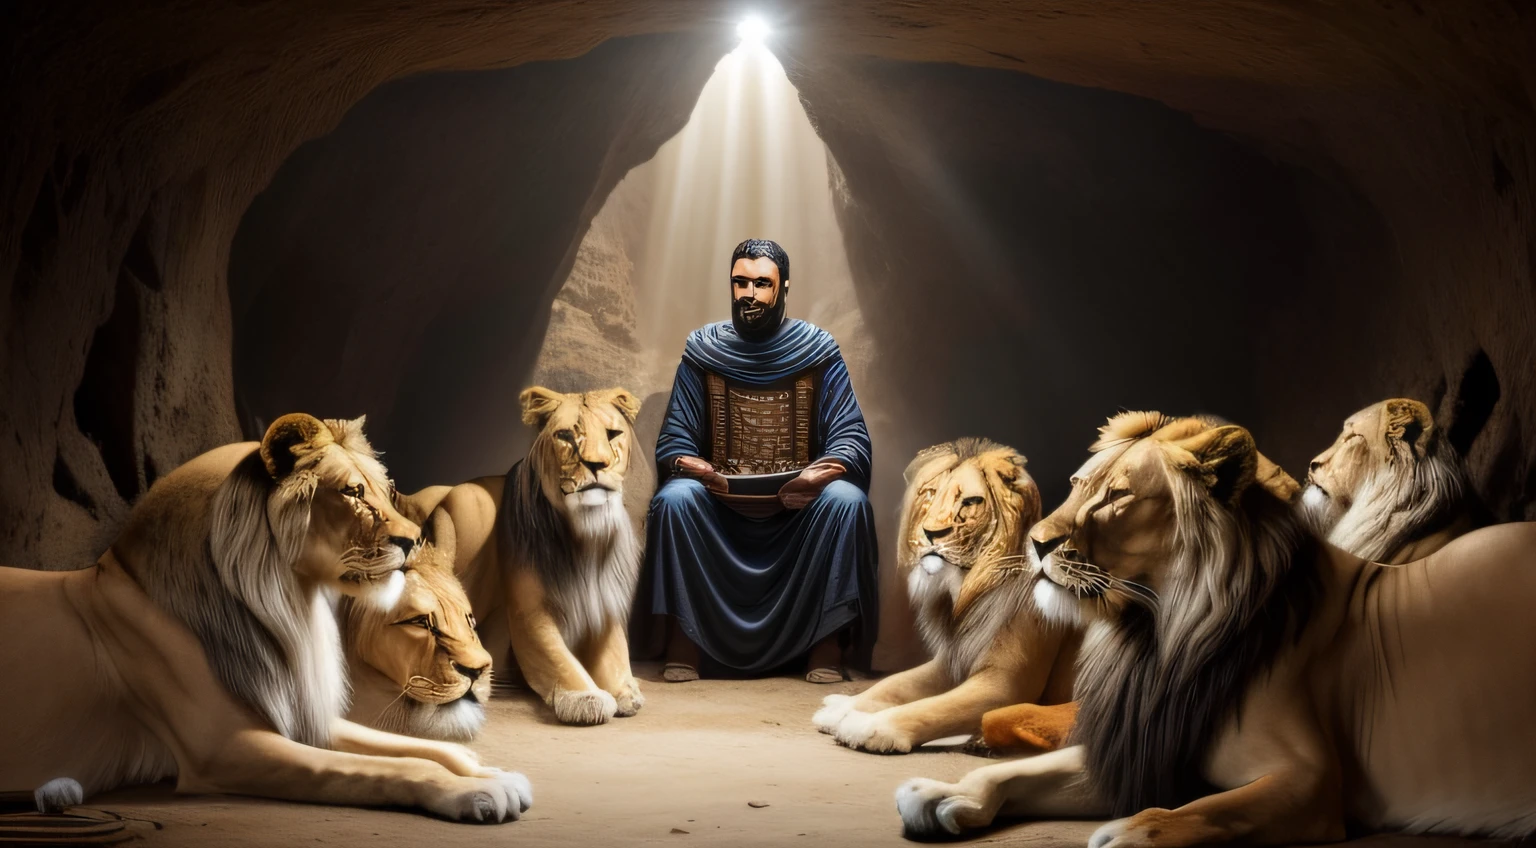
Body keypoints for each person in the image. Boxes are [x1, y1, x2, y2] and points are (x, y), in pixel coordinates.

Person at [644, 238, 878, 684]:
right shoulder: (703, 350)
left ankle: (825, 646)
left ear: (784, 287)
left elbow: (850, 436)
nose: (749, 294)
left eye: (761, 284)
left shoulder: (818, 351)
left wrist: (815, 476)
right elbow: (675, 437)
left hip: (798, 515)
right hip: (720, 511)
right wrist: (695, 469)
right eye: (740, 283)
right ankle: (684, 642)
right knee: (675, 499)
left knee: (846, 501)